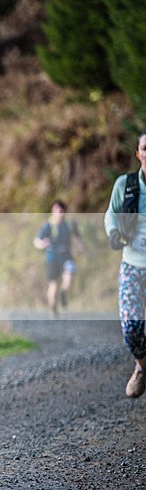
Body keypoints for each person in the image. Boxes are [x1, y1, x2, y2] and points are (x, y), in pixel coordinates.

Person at [105, 132, 146, 398]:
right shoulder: (126, 185)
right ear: (138, 153)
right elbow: (111, 213)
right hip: (133, 264)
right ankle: (141, 368)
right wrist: (113, 232)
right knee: (131, 328)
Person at [33, 200, 84, 316]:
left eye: (61, 211)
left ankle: (64, 293)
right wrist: (42, 244)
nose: (59, 214)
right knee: (53, 284)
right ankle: (53, 307)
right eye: (57, 211)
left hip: (66, 254)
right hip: (52, 257)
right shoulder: (48, 226)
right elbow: (36, 241)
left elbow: (77, 237)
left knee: (69, 277)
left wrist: (80, 246)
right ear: (53, 212)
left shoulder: (70, 224)